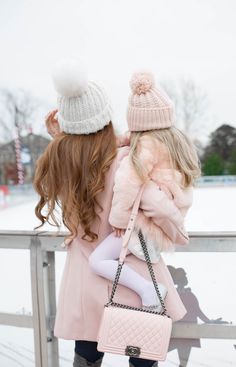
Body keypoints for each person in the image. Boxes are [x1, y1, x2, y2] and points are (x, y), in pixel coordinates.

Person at [34, 58, 188, 367]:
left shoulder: (61, 163)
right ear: (106, 121)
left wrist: (60, 135)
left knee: (87, 355)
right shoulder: (124, 162)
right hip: (131, 274)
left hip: (84, 280)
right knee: (142, 354)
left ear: (68, 125)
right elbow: (156, 204)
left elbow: (77, 149)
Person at [89, 71, 200, 313]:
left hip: (141, 225)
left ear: (137, 124)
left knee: (97, 260)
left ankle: (148, 290)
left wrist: (118, 219)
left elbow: (127, 183)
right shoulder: (175, 141)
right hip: (164, 220)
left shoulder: (145, 148)